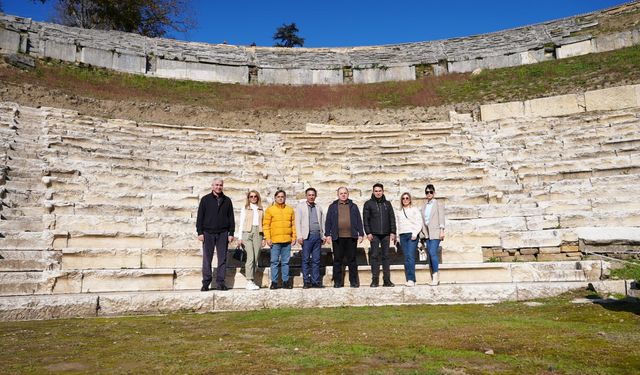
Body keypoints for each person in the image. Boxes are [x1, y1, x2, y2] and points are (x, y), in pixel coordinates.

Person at [196, 178, 235, 291]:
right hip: (208, 233)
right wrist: (200, 232)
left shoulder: (227, 200)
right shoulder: (205, 200)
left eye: (220, 185)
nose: (218, 187)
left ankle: (220, 283)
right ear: (212, 186)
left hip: (223, 233)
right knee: (207, 259)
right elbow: (200, 217)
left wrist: (231, 233)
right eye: (216, 185)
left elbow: (231, 218)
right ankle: (206, 283)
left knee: (222, 259)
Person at [325, 187, 364, 288]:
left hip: (351, 237)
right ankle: (338, 282)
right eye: (341, 193)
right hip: (337, 237)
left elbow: (359, 220)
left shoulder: (353, 206)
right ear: (337, 195)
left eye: (345, 193)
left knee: (352, 260)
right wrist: (327, 234)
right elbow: (328, 221)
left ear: (348, 194)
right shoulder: (332, 206)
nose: (343, 195)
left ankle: (354, 282)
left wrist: (361, 233)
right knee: (337, 260)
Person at [363, 183, 397, 287]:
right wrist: (368, 232)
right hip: (374, 234)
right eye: (376, 191)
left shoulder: (387, 204)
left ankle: (387, 280)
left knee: (386, 257)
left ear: (383, 191)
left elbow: (392, 218)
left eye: (380, 191)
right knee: (374, 256)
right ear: (373, 192)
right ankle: (375, 280)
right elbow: (365, 219)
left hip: (386, 234)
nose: (378, 193)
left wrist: (393, 232)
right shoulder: (368, 204)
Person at [263, 190, 296, 289]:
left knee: (286, 262)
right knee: (274, 262)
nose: (280, 198)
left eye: (282, 196)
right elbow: (266, 225)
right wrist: (268, 238)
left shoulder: (290, 210)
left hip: (287, 240)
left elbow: (293, 225)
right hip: (275, 241)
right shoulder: (270, 210)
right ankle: (274, 282)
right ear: (275, 198)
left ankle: (286, 282)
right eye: (278, 197)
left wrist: (294, 237)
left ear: (285, 198)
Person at [295, 187, 327, 288]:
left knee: (316, 260)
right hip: (306, 237)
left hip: (317, 236)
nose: (311, 197)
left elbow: (322, 221)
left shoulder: (318, 207)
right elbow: (297, 222)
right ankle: (306, 281)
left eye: (313, 195)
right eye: (309, 195)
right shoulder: (300, 207)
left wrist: (323, 235)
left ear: (315, 196)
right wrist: (299, 236)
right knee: (305, 259)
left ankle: (315, 281)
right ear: (306, 196)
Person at [237, 190, 265, 290]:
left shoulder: (261, 209)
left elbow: (263, 223)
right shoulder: (245, 208)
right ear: (248, 198)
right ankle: (249, 280)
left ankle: (252, 280)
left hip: (258, 232)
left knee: (256, 257)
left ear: (258, 198)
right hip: (247, 232)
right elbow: (241, 223)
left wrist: (264, 237)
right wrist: (239, 237)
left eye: (255, 196)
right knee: (250, 257)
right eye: (251, 196)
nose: (253, 198)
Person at [395, 192, 423, 287]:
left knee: (410, 256)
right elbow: (398, 225)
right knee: (406, 258)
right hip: (402, 235)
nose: (405, 200)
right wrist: (398, 236)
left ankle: (411, 279)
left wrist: (415, 233)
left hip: (412, 235)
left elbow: (419, 222)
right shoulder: (399, 211)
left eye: (407, 198)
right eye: (403, 198)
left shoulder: (414, 209)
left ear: (410, 199)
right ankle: (410, 279)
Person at [421, 184, 445, 286]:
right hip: (427, 233)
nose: (429, 194)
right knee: (430, 255)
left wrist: (442, 230)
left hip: (436, 232)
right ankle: (433, 277)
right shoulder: (424, 205)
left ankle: (436, 276)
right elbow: (423, 220)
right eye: (427, 192)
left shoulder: (438, 204)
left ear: (434, 193)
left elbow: (441, 217)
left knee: (432, 252)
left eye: (431, 192)